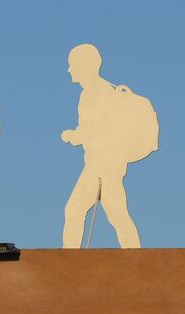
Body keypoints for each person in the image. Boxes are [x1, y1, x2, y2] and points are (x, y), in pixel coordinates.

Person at [61, 44, 157, 249]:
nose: (69, 69)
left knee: (77, 211)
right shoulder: (101, 90)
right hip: (104, 165)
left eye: (72, 65)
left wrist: (72, 136)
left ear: (82, 66)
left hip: (102, 166)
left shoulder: (93, 94)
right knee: (114, 215)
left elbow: (93, 130)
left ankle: (68, 262)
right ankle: (136, 255)